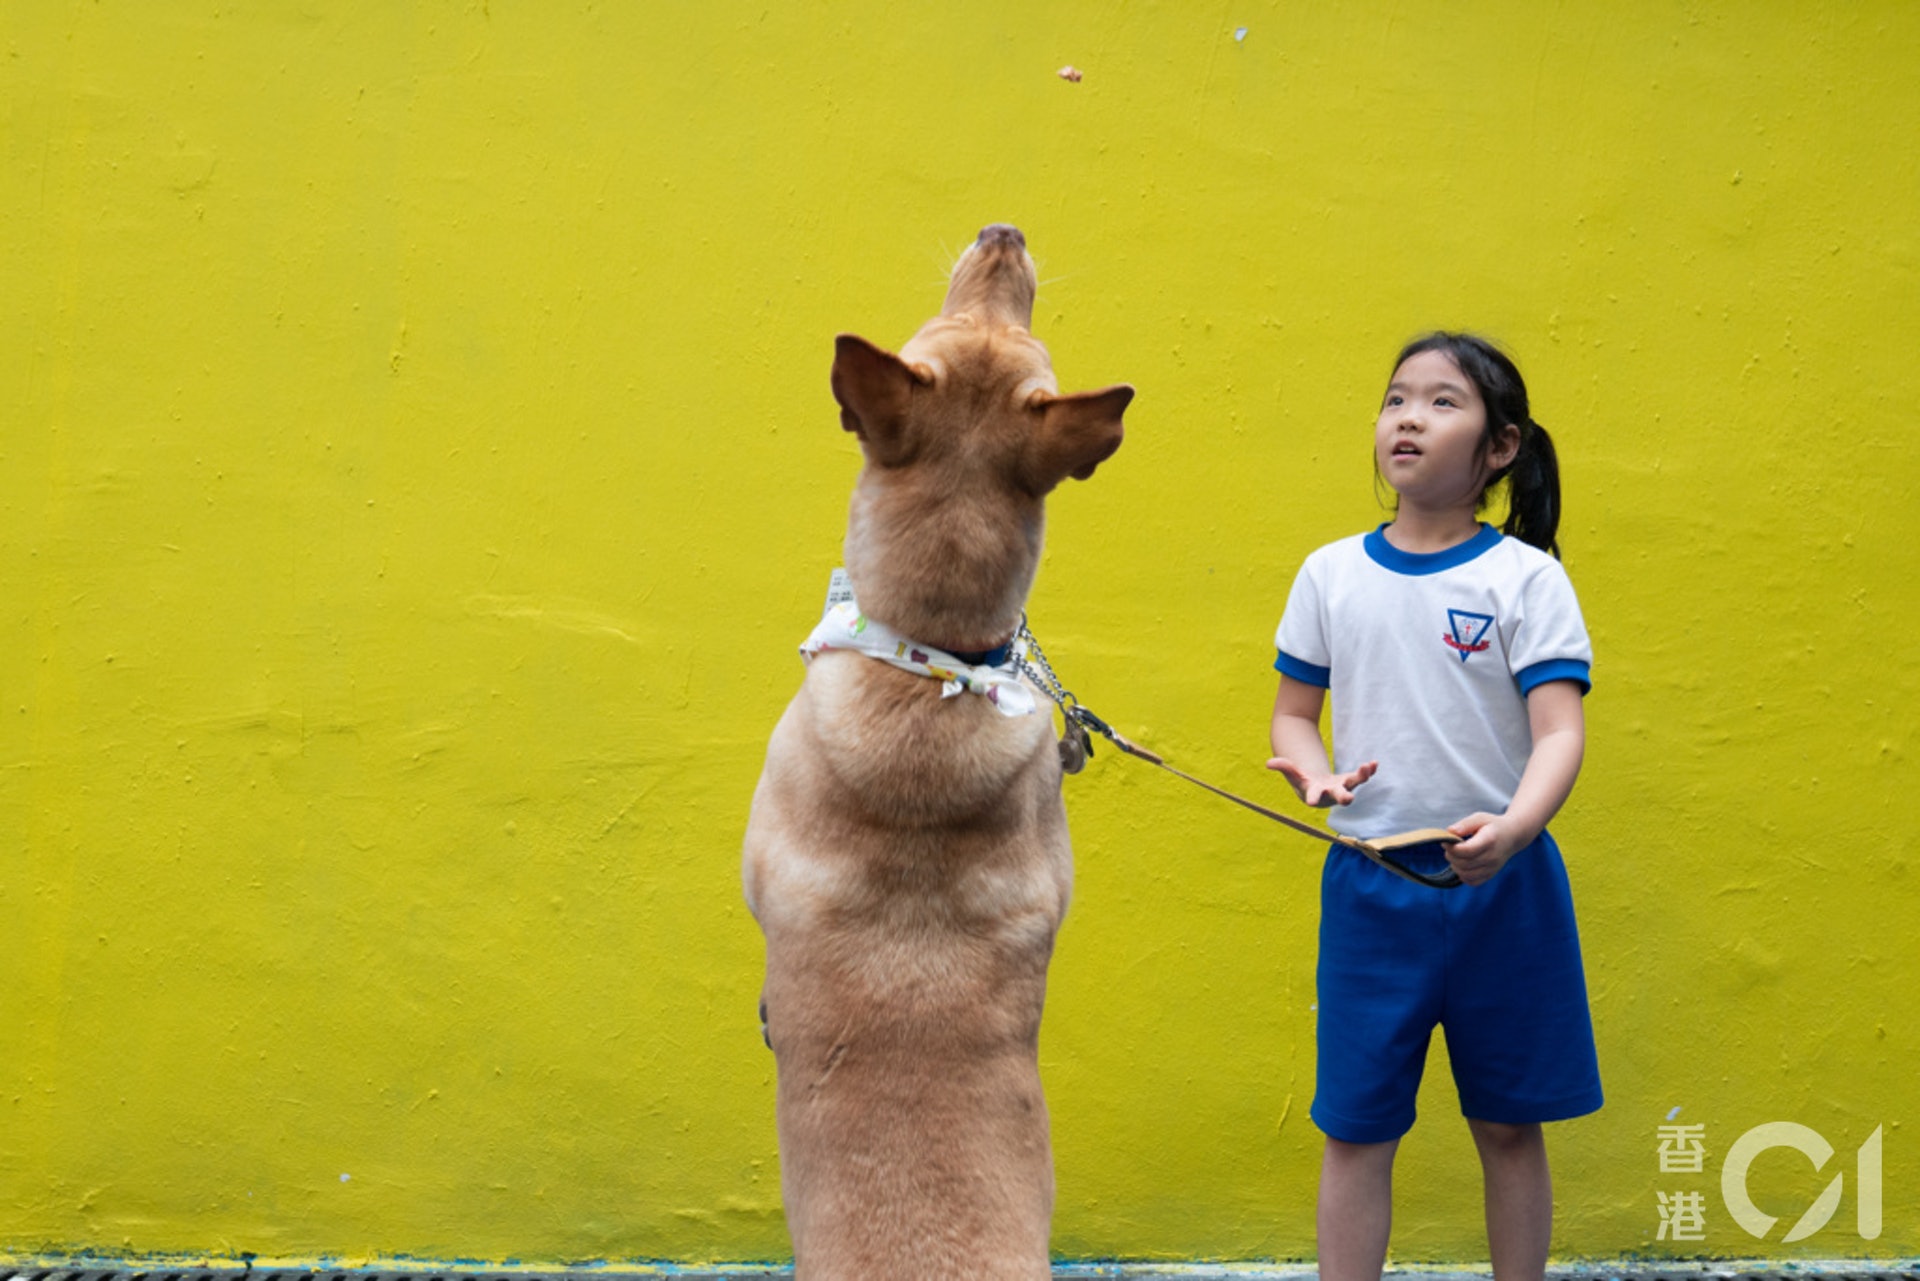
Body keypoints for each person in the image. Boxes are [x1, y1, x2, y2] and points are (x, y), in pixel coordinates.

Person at [1266, 333, 1602, 1281]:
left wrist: (1516, 828)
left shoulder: (1526, 579)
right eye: (1395, 398)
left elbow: (1560, 734)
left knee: (1507, 1122)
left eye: (1442, 402)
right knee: (1357, 1129)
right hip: (1373, 886)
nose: (1408, 417)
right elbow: (1294, 718)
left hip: (1508, 886)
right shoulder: (1330, 573)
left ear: (1501, 448)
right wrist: (1316, 773)